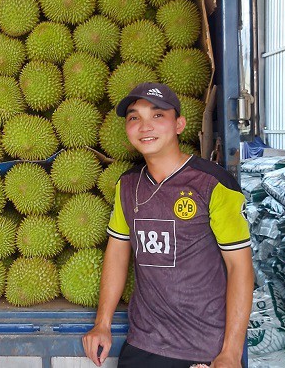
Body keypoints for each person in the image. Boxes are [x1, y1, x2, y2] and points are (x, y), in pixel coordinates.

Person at [82, 82, 254, 368]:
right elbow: (118, 251)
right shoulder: (127, 185)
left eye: (158, 116)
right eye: (134, 118)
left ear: (179, 124)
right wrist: (103, 323)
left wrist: (231, 353)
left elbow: (240, 267)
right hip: (143, 343)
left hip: (204, 348)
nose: (145, 126)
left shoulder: (213, 184)